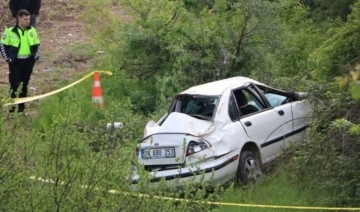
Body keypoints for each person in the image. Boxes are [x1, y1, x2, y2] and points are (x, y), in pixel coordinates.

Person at [0, 9, 40, 113]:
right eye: (25, 19)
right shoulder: (10, 30)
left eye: (29, 19)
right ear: (19, 19)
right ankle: (11, 108)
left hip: (28, 61)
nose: (28, 21)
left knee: (24, 85)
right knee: (14, 85)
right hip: (15, 62)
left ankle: (21, 109)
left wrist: (35, 56)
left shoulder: (32, 30)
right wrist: (7, 58)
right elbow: (2, 45)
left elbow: (37, 44)